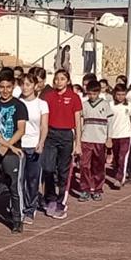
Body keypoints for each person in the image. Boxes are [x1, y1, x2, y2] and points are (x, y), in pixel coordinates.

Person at [0, 70, 28, 233]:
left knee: (14, 186)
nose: (5, 90)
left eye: (8, 87)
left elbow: (21, 129)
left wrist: (7, 145)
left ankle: (17, 219)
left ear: (13, 86)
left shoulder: (19, 106)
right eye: (2, 87)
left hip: (12, 151)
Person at [42, 68, 83, 219]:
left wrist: (78, 143)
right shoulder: (48, 96)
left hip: (66, 135)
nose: (59, 81)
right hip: (51, 135)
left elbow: (78, 121)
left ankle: (61, 202)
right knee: (48, 168)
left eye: (62, 79)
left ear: (68, 81)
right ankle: (50, 198)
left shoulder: (74, 97)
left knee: (63, 171)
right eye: (57, 79)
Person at [18, 74, 48, 224]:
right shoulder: (17, 102)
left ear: (35, 86)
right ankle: (19, 208)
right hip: (19, 146)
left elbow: (44, 125)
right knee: (19, 179)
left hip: (34, 145)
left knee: (33, 179)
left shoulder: (41, 104)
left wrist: (41, 142)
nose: (25, 87)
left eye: (28, 84)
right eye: (22, 84)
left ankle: (30, 209)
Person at [78, 79, 113, 201]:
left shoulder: (105, 104)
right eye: (90, 93)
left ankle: (97, 189)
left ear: (99, 92)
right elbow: (80, 121)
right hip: (86, 139)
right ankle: (85, 189)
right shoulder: (84, 105)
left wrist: (109, 137)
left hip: (100, 139)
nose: (92, 96)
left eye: (94, 93)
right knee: (84, 165)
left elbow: (110, 122)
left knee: (98, 166)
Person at [107, 85, 131, 189]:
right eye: (118, 94)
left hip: (125, 135)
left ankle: (120, 178)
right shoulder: (110, 105)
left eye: (123, 94)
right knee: (116, 158)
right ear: (114, 94)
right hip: (113, 135)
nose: (121, 97)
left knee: (123, 157)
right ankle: (117, 171)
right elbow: (107, 121)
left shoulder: (129, 105)